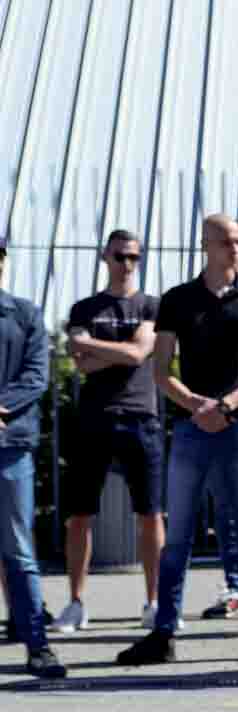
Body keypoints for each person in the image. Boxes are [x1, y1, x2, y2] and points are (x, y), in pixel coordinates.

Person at [116, 215, 238, 667]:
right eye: (226, 241)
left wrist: (229, 405)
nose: (235, 249)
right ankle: (163, 632)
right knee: (177, 537)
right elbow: (160, 370)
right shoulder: (178, 300)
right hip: (192, 429)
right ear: (206, 246)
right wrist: (196, 405)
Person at [53, 231, 164, 633]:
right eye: (120, 256)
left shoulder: (152, 304)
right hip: (95, 419)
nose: (127, 264)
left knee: (150, 514)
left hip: (141, 416)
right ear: (105, 256)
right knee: (81, 514)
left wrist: (94, 347)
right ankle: (76, 602)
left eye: (134, 257)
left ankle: (154, 602)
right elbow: (80, 364)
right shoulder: (85, 307)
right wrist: (119, 353)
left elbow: (138, 353)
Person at [0, 237, 67, 678]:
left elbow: (36, 376)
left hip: (10, 448)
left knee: (19, 549)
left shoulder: (24, 314)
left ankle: (37, 646)